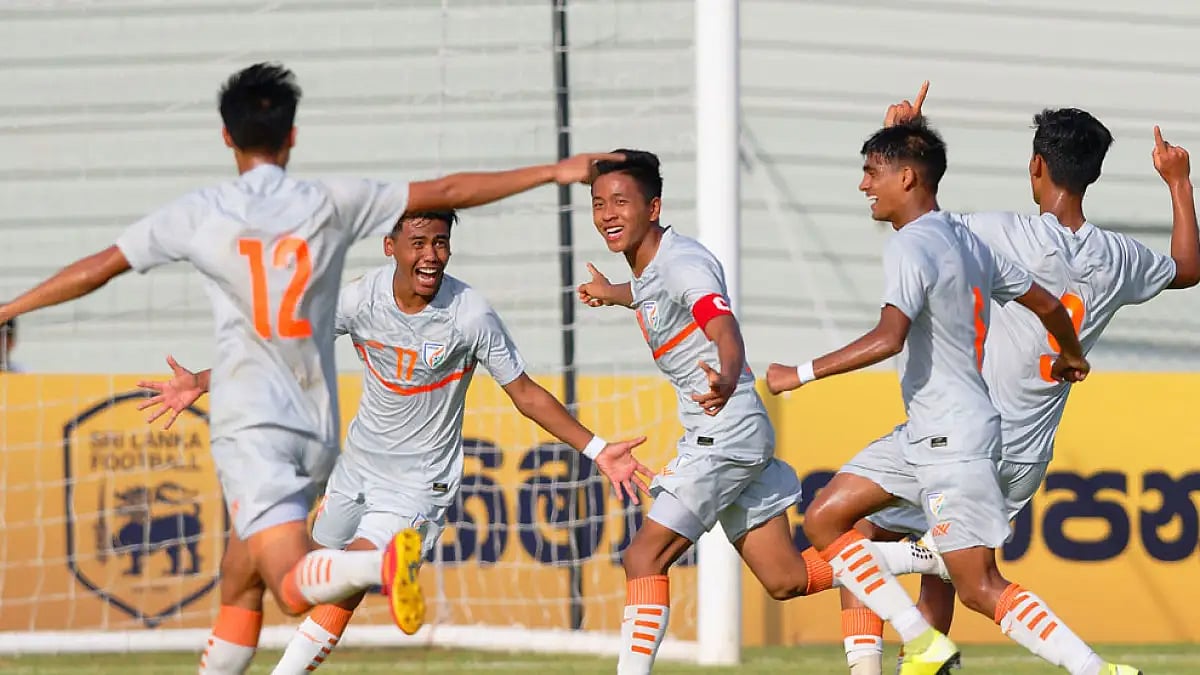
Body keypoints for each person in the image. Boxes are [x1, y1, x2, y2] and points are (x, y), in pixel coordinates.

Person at [0, 61, 622, 675]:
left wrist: (11, 306)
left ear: (226, 136)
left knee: (294, 585)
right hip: (322, 434)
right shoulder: (332, 201)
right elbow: (452, 190)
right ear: (293, 135)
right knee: (239, 579)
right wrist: (554, 172)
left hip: (254, 427)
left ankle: (375, 567)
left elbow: (100, 266)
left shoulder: (201, 211)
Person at [138, 209, 654, 674]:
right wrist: (200, 382)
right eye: (420, 242)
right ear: (391, 246)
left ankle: (375, 569)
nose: (432, 255)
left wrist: (595, 448)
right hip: (355, 470)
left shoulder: (469, 314)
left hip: (417, 485)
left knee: (348, 579)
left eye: (442, 243)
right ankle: (369, 573)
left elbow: (525, 393)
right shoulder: (361, 299)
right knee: (305, 582)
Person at [834, 83, 1197, 675]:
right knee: (950, 569)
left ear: (1036, 165)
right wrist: (1179, 184)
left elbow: (919, 217)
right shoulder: (1120, 257)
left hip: (965, 436)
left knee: (853, 527)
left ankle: (870, 665)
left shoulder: (1003, 233)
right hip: (1027, 454)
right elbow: (1187, 269)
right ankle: (925, 656)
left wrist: (908, 140)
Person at [767, 119, 1140, 675]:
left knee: (979, 587)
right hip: (930, 431)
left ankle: (1094, 670)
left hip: (951, 439)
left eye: (871, 173)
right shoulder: (965, 239)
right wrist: (1072, 353)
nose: (864, 185)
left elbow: (888, 337)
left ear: (907, 176)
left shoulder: (913, 246)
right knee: (827, 518)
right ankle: (919, 637)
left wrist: (797, 372)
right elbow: (1047, 304)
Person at [577, 150, 834, 675]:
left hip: (724, 427)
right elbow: (651, 293)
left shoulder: (684, 263)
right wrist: (612, 294)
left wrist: (727, 368)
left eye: (620, 202)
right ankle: (897, 553)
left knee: (642, 558)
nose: (607, 214)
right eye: (599, 203)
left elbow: (722, 325)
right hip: (737, 429)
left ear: (654, 207)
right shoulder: (652, 266)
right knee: (787, 580)